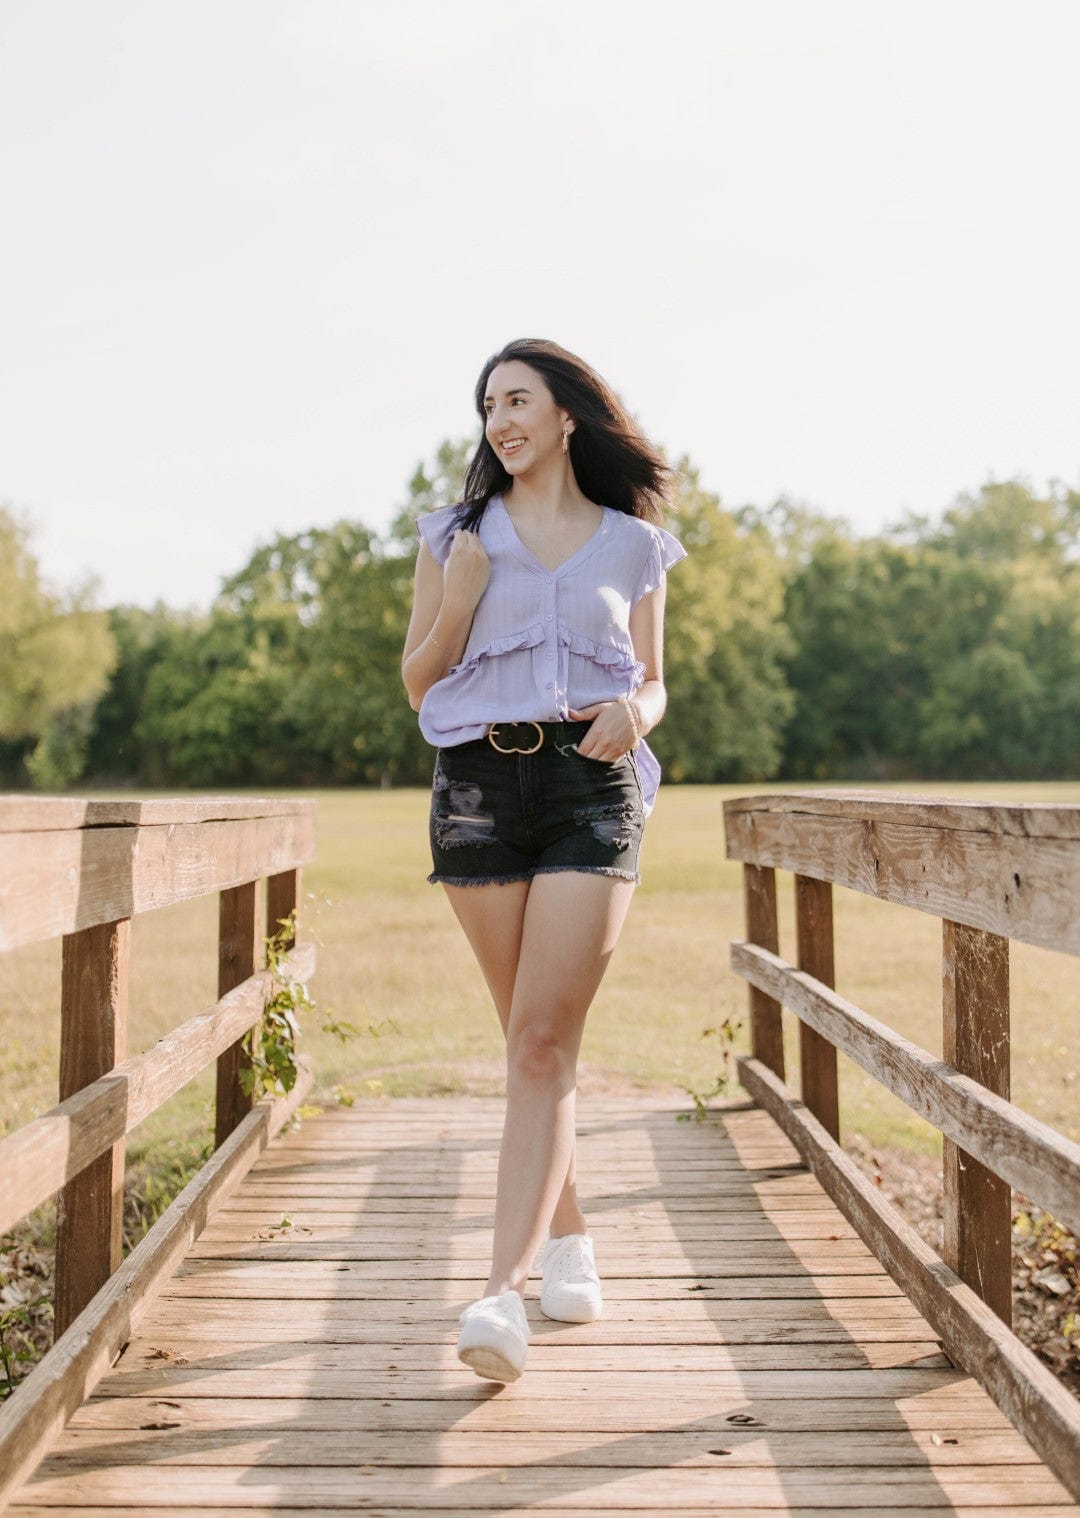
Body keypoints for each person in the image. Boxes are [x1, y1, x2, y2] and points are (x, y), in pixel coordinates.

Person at [401, 337, 685, 1383]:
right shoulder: (452, 536)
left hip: (590, 791)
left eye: (517, 399)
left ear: (568, 413)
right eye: (487, 406)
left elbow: (654, 681)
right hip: (478, 791)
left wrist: (632, 708)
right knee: (529, 1039)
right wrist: (465, 597)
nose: (499, 420)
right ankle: (568, 1237)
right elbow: (420, 685)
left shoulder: (634, 545)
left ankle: (498, 1297)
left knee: (540, 1040)